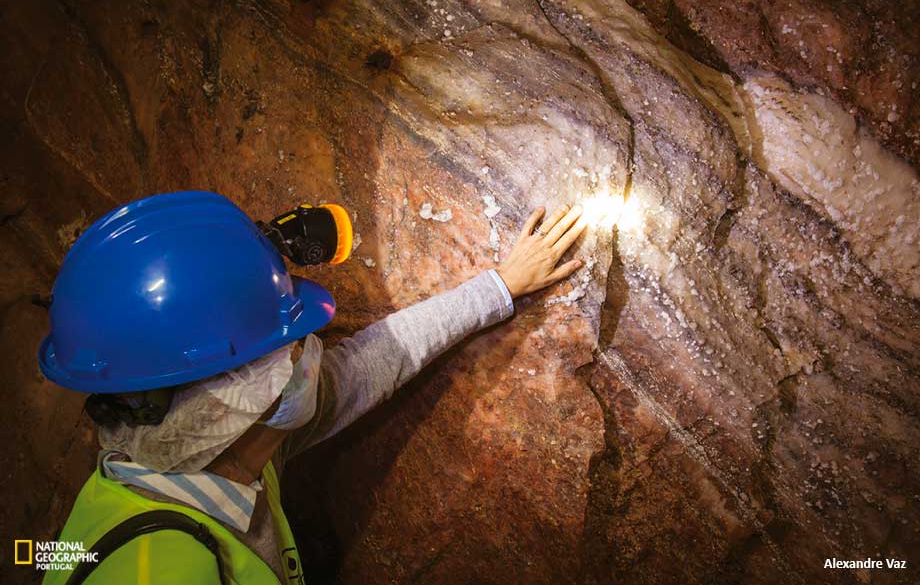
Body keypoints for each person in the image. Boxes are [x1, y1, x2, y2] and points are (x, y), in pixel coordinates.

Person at [38, 191, 586, 584]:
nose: (309, 357)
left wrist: (500, 286)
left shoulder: (222, 455)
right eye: (293, 348)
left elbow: (375, 362)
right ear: (237, 401)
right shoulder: (160, 569)